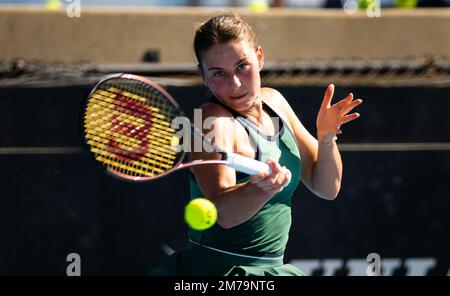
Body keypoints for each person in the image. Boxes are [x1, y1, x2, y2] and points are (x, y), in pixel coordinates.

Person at [151, 13, 362, 276]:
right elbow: (224, 214)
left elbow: (327, 187)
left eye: (242, 66)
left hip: (272, 269)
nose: (235, 84)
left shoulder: (275, 101)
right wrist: (261, 188)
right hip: (217, 272)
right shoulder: (211, 122)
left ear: (259, 57)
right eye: (219, 73)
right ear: (202, 75)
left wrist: (326, 137)